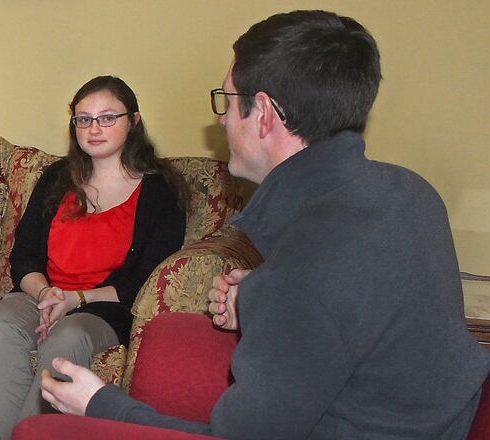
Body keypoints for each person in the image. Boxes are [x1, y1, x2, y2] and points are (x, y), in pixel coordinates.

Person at [38, 10, 490, 439]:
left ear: (265, 114)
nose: (220, 117)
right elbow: (358, 299)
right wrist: (260, 294)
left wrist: (101, 404)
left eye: (228, 101)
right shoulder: (411, 191)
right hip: (432, 419)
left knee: (38, 431)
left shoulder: (306, 274)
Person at [0, 75, 187, 440]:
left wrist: (77, 299)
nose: (94, 128)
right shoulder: (57, 178)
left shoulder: (159, 191)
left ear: (133, 121)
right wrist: (45, 295)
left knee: (67, 336)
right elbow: (24, 258)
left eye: (107, 117)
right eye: (83, 119)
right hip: (43, 295)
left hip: (103, 306)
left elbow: (145, 282)